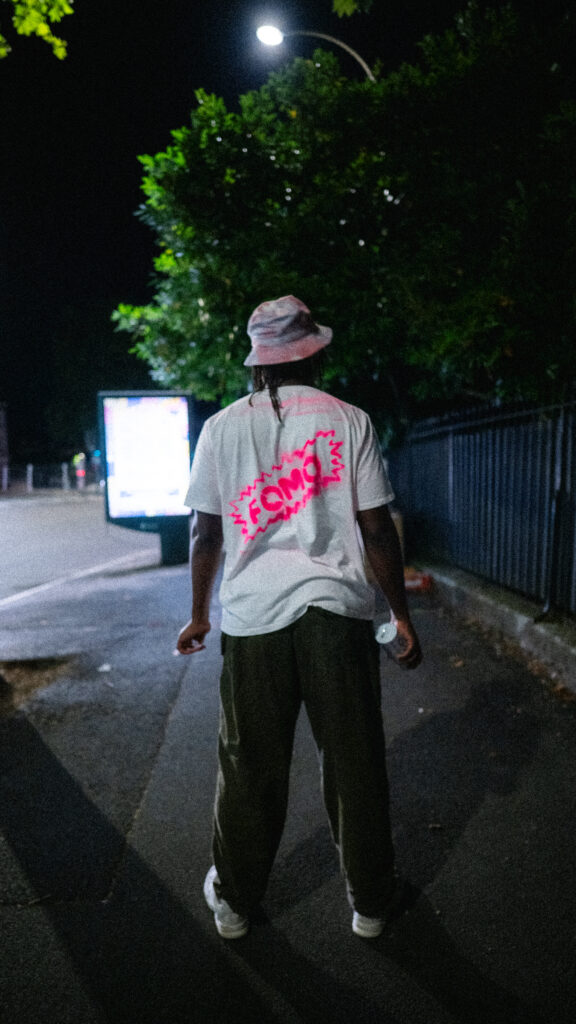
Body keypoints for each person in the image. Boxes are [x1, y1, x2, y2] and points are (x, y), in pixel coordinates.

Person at [177, 295, 422, 940]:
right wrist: (399, 614)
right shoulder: (349, 421)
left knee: (249, 766)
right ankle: (372, 902)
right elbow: (376, 528)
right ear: (314, 354)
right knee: (354, 761)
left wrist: (199, 614)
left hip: (254, 622)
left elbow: (205, 533)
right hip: (337, 617)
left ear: (258, 363)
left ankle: (234, 903)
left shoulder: (221, 429)